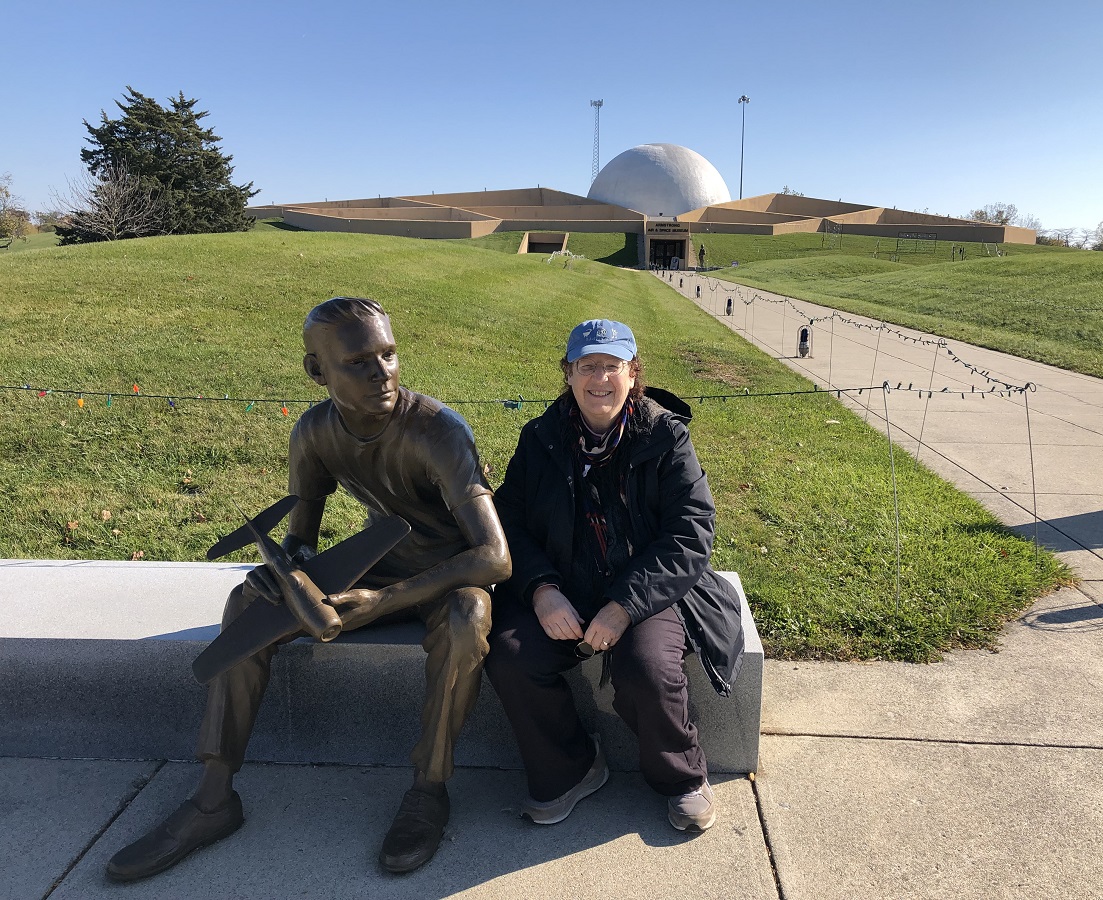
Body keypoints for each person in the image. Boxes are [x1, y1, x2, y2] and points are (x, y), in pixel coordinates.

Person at [107, 296, 511, 881]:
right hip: (380, 567)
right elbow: (301, 537)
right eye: (358, 362)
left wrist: (385, 601)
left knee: (469, 616)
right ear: (317, 371)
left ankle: (429, 788)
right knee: (248, 603)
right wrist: (286, 572)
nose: (382, 374)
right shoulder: (315, 433)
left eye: (389, 355)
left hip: (446, 577)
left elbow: (494, 557)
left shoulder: (438, 431)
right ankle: (214, 799)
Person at [485, 319, 744, 832]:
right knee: (510, 656)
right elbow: (507, 520)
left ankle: (681, 778)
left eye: (611, 366)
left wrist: (624, 605)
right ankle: (573, 768)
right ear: (569, 374)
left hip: (647, 592)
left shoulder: (666, 436)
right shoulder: (540, 437)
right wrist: (541, 590)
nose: (599, 378)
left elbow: (689, 534)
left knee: (646, 667)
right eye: (587, 367)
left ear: (633, 373)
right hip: (564, 586)